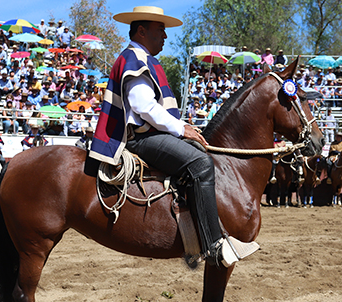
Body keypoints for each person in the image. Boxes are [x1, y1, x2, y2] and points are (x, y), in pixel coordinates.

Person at [91, 6, 258, 268]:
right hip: (141, 138)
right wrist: (182, 128)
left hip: (150, 135)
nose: (165, 37)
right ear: (142, 31)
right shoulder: (134, 58)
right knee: (201, 164)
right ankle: (213, 244)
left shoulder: (142, 58)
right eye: (161, 31)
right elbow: (144, 107)